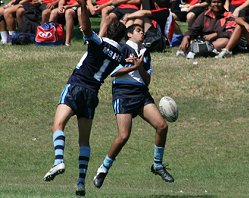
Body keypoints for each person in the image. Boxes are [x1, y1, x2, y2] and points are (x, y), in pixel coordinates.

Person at [42, 0, 126, 196]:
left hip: (77, 86)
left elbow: (86, 28)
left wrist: (82, 6)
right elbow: (118, 69)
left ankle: (58, 161)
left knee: (58, 125)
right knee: (84, 141)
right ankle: (80, 182)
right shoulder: (119, 54)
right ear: (121, 37)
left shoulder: (99, 42)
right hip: (92, 94)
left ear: (108, 31)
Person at [93, 23, 174, 190]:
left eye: (142, 31)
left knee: (162, 126)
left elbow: (147, 80)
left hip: (141, 94)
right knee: (123, 136)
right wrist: (132, 66)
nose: (142, 33)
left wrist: (139, 67)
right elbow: (112, 72)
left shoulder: (145, 52)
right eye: (138, 30)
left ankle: (157, 165)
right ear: (129, 35)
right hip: (123, 94)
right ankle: (103, 169)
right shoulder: (121, 49)